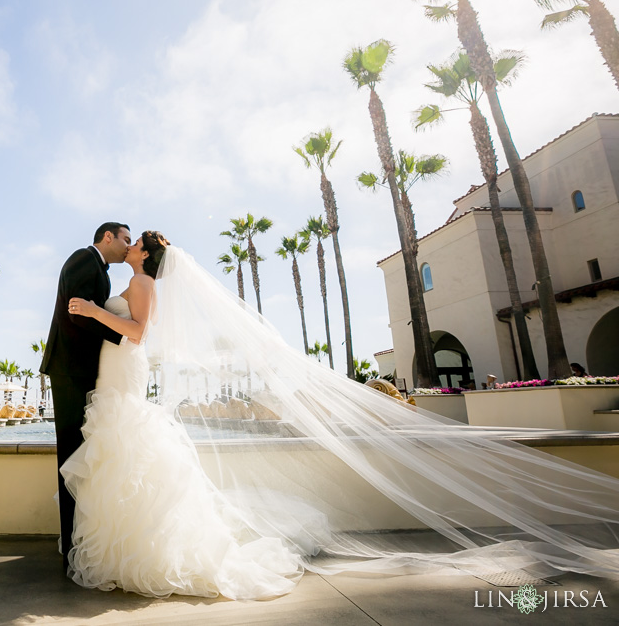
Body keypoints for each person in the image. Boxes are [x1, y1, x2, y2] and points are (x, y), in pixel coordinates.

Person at [62, 237, 619, 600]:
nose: (130, 244)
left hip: (125, 375)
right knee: (125, 460)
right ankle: (124, 546)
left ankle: (140, 551)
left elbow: (138, 333)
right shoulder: (134, 281)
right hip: (118, 377)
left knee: (134, 459)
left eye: (136, 243)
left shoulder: (143, 284)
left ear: (145, 257)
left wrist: (89, 310)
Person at [40, 221, 131, 565]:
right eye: (124, 239)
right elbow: (77, 312)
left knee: (85, 455)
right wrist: (123, 338)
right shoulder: (83, 258)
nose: (127, 245)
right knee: (71, 458)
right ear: (107, 237)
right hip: (69, 370)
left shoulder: (101, 270)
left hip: (85, 371)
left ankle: (84, 537)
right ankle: (72, 547)